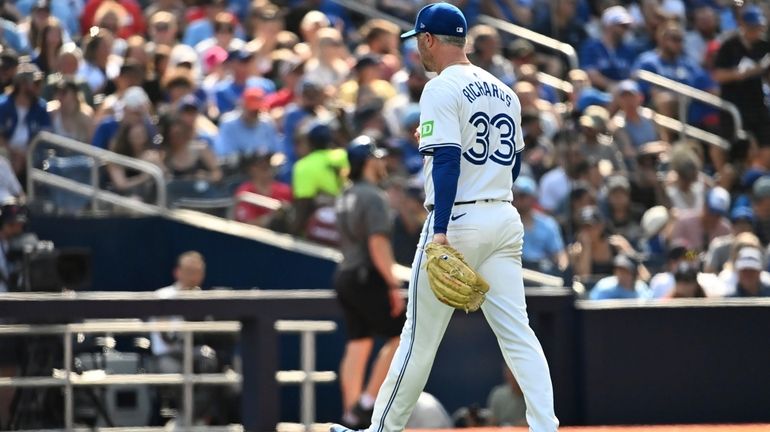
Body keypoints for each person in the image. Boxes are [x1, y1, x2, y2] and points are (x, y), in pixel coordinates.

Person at [331, 4, 559, 431]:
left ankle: (380, 431)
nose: (418, 48)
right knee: (518, 335)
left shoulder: (439, 88)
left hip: (458, 221)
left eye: (419, 40)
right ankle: (546, 426)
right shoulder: (504, 90)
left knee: (417, 341)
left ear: (430, 39)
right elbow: (510, 166)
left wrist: (439, 232)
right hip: (503, 217)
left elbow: (451, 161)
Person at [334, 136, 405, 429]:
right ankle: (366, 404)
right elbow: (378, 244)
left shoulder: (346, 194)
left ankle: (350, 415)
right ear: (367, 162)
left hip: (345, 275)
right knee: (403, 335)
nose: (383, 162)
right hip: (368, 275)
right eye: (377, 157)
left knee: (358, 344)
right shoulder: (374, 196)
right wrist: (393, 284)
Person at [514, 177, 568, 276]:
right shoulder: (506, 224)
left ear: (533, 198)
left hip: (542, 275)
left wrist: (562, 271)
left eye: (522, 196)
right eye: (514, 195)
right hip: (515, 273)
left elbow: (559, 254)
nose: (517, 200)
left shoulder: (548, 224)